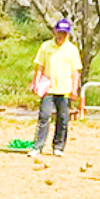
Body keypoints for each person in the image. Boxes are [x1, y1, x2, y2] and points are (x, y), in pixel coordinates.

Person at [29, 19, 83, 158]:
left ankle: (58, 146)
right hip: (48, 88)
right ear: (54, 31)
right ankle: (37, 146)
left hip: (64, 89)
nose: (61, 35)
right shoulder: (46, 46)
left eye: (64, 33)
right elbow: (40, 66)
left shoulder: (72, 49)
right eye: (59, 32)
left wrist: (75, 88)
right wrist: (36, 82)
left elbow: (75, 71)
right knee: (44, 116)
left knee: (63, 119)